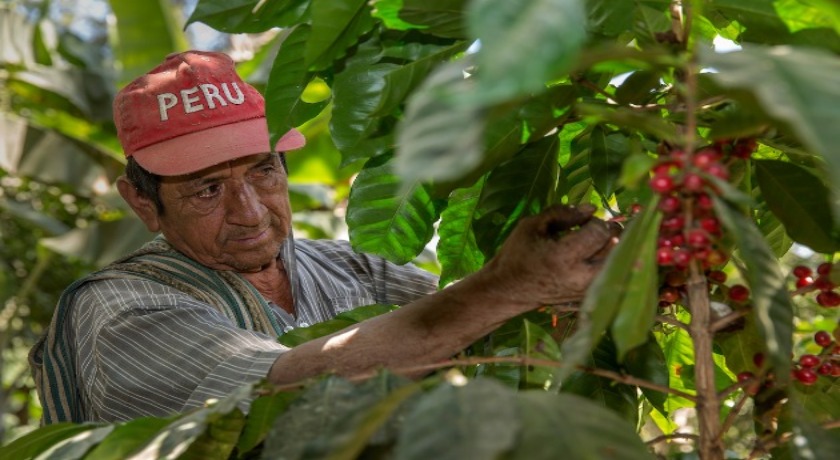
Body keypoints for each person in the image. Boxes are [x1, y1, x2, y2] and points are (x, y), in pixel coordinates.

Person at [29, 50, 616, 424]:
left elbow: (474, 323)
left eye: (264, 170)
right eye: (207, 189)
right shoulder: (117, 309)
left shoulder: (348, 266)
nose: (251, 212)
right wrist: (507, 286)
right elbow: (279, 389)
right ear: (143, 203)